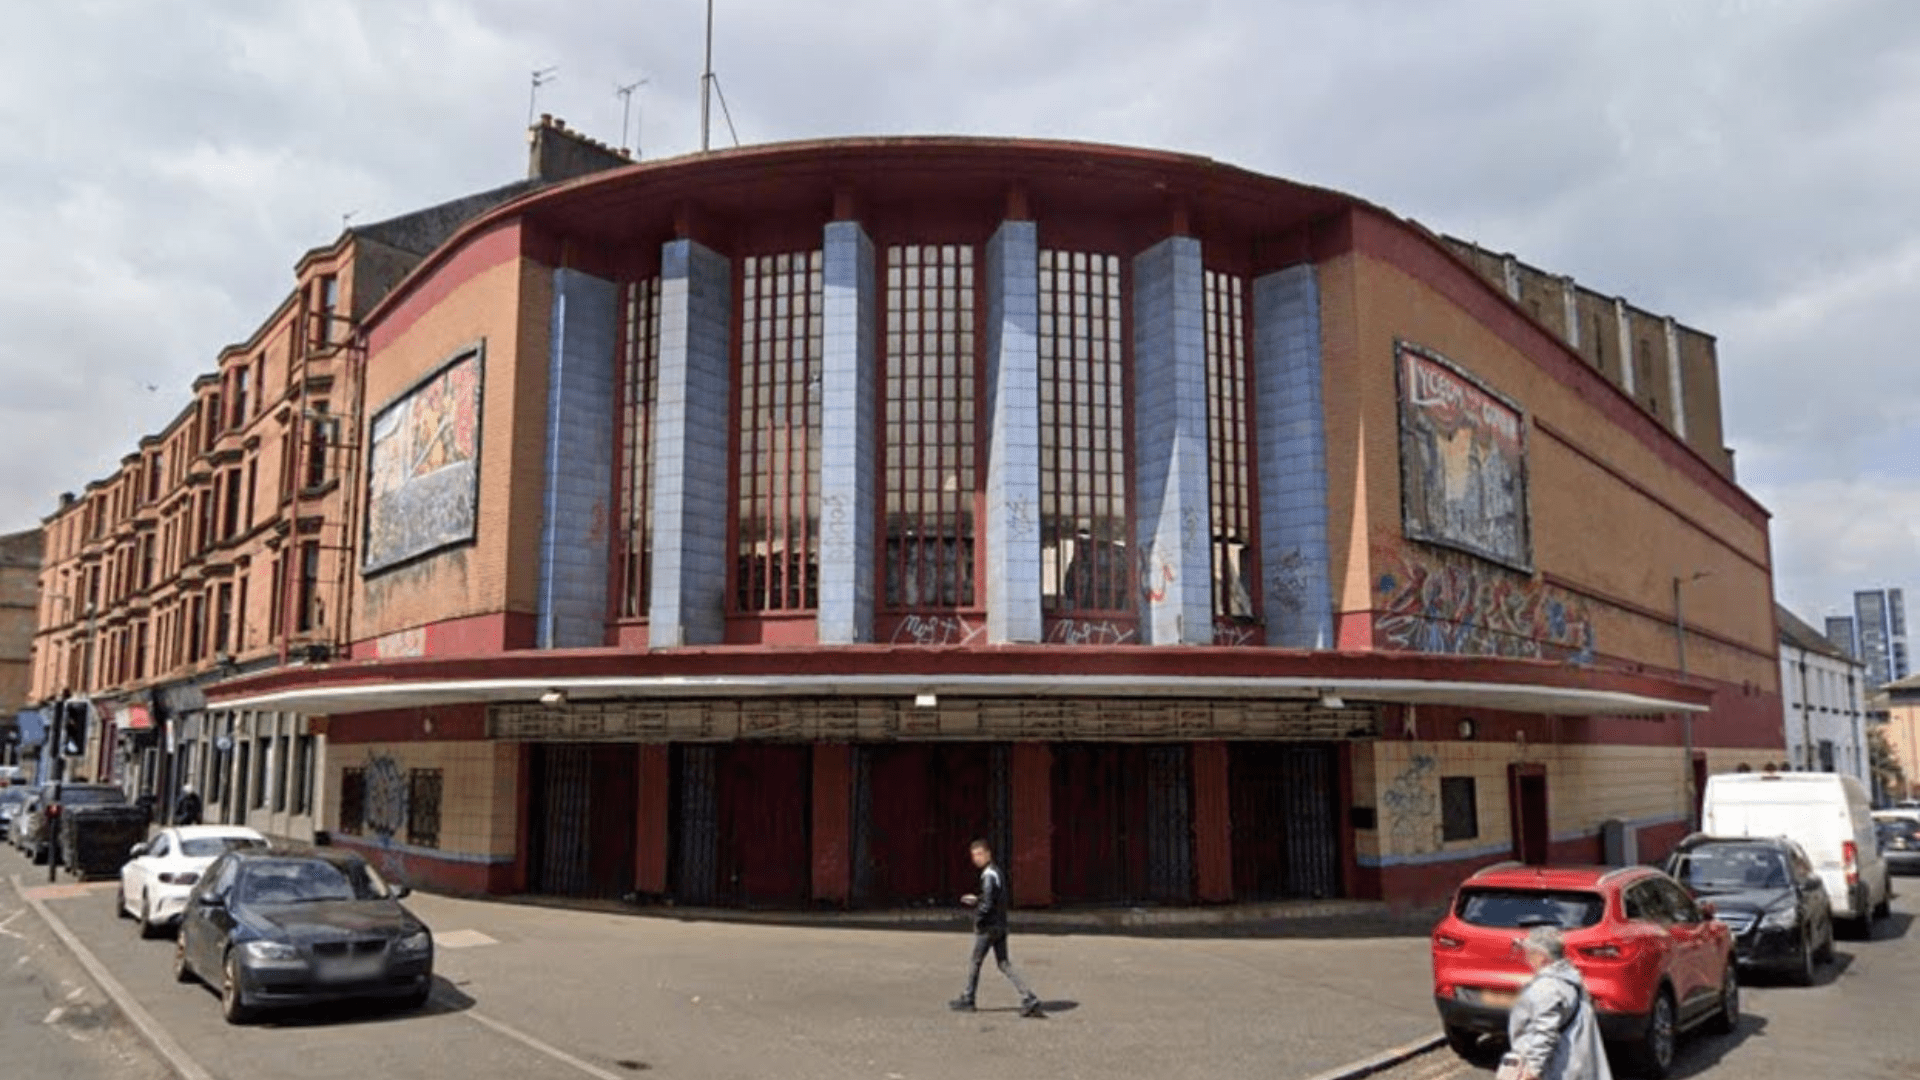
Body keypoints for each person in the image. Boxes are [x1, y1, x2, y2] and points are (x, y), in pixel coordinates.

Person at [950, 839, 1043, 1018]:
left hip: (989, 927)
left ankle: (968, 999)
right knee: (1004, 963)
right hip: (1001, 925)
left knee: (975, 961)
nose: (976, 858)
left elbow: (988, 904)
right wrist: (977, 899)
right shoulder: (996, 872)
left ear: (988, 854)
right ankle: (1029, 997)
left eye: (979, 854)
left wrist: (978, 919)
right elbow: (992, 898)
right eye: (973, 855)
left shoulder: (988, 875)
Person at [1505, 925, 1612, 1080]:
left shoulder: (1547, 988)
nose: (1526, 957)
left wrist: (1532, 1070)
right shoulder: (1570, 979)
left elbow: (1545, 1032)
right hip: (1575, 1065)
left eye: (1529, 952)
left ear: (1541, 956)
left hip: (1557, 1069)